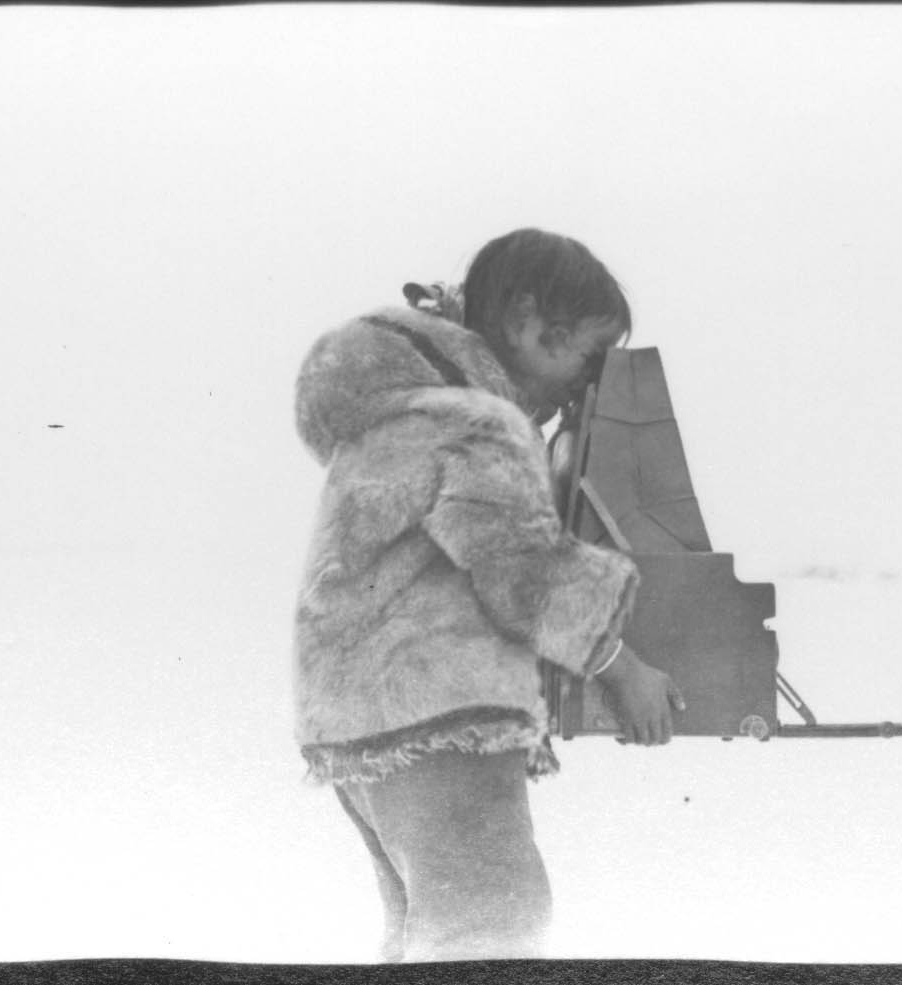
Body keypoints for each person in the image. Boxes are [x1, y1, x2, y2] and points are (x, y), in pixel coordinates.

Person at [293, 228, 684, 962]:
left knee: (427, 937)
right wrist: (622, 669)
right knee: (495, 928)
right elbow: (522, 571)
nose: (590, 382)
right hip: (435, 718)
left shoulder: (415, 397)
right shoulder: (474, 418)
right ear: (527, 322)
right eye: (587, 356)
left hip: (369, 723)